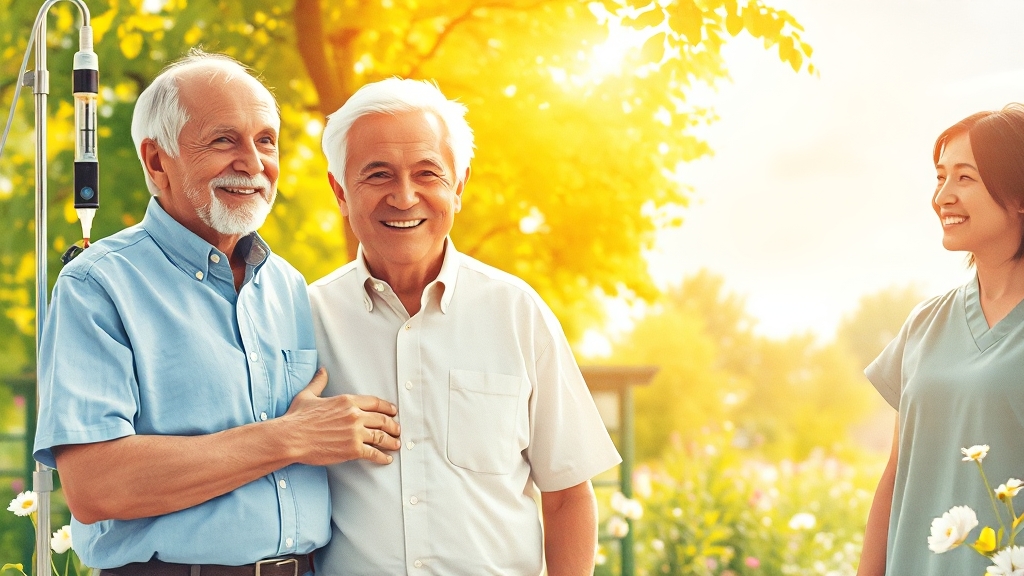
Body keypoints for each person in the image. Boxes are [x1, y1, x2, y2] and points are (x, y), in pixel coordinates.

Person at [32, 50, 402, 575]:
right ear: (157, 161)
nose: (252, 163)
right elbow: (97, 485)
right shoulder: (97, 285)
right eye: (224, 140)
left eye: (265, 141)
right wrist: (288, 437)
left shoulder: (290, 288)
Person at [308, 78, 622, 575]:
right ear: (340, 191)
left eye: (427, 173)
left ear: (458, 186)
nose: (405, 196)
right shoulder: (305, 321)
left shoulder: (518, 312)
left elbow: (566, 496)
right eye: (378, 175)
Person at [858, 104, 1024, 575]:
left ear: (1019, 194)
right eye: (940, 177)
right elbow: (895, 477)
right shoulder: (924, 324)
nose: (943, 196)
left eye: (965, 178)